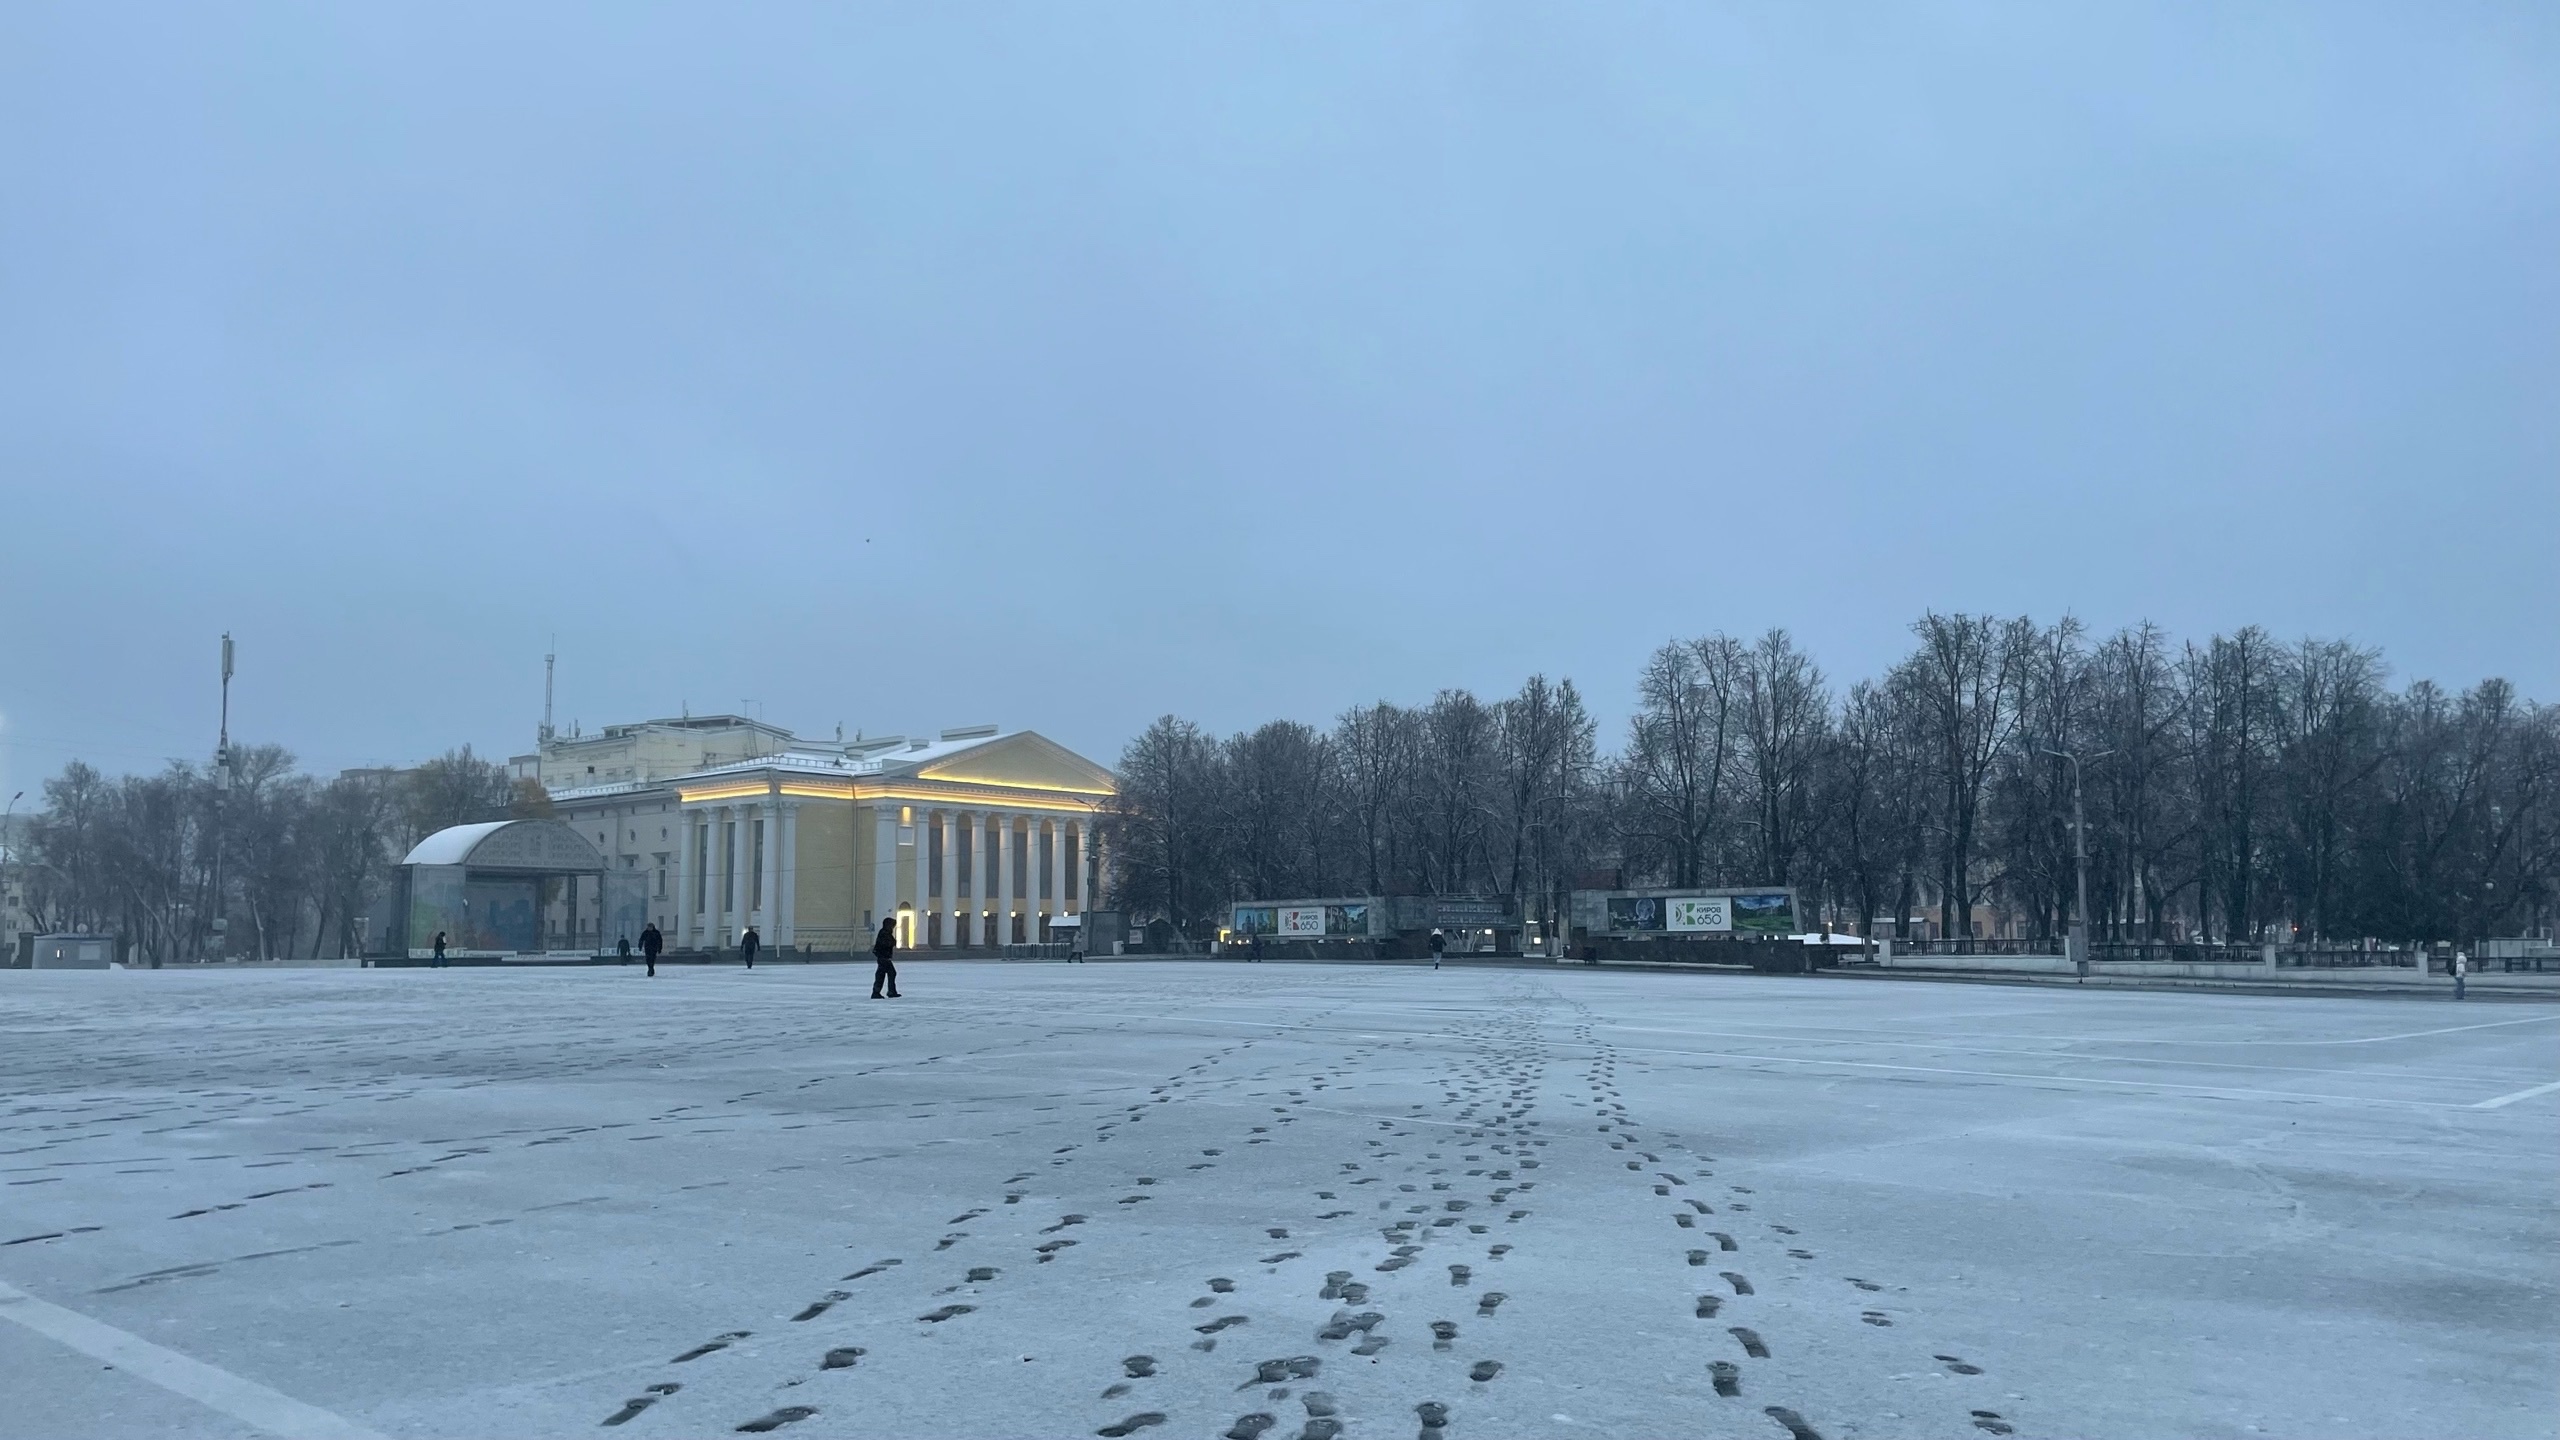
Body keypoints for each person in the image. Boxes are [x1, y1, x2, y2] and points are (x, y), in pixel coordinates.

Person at [871, 916, 901, 999]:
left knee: (883, 974)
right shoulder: (885, 933)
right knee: (888, 973)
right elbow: (887, 943)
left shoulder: (886, 932)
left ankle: (881, 991)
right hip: (883, 957)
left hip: (884, 957)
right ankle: (886, 992)